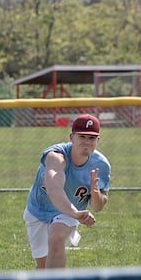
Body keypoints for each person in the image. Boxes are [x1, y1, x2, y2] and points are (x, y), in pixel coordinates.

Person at [23, 113, 111, 269]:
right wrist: (75, 213)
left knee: (56, 238)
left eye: (92, 138)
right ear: (72, 137)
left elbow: (97, 207)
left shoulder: (101, 165)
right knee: (42, 267)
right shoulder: (55, 156)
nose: (87, 142)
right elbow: (54, 190)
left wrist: (95, 192)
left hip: (67, 212)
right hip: (38, 209)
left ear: (98, 140)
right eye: (82, 136)